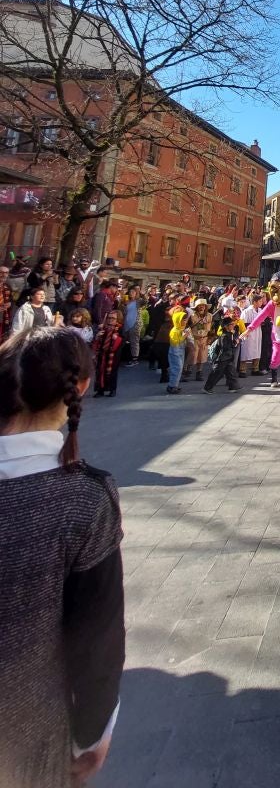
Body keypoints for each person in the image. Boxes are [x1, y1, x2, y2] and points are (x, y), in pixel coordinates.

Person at [0, 327, 125, 787]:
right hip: (29, 736)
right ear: (82, 387)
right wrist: (92, 735)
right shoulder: (85, 498)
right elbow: (98, 631)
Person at [242, 281, 280, 386]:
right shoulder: (271, 304)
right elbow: (261, 316)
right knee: (275, 357)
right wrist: (249, 329)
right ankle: (274, 379)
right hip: (277, 336)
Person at [202, 316, 242, 394]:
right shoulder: (224, 336)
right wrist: (234, 343)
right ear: (226, 326)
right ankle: (207, 388)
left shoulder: (229, 334)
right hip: (222, 358)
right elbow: (224, 347)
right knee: (216, 373)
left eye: (233, 324)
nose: (233, 325)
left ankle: (233, 387)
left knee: (231, 372)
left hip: (228, 357)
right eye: (231, 324)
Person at [92, 310, 124, 397]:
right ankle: (100, 390)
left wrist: (116, 339)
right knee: (100, 371)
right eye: (109, 318)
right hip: (102, 353)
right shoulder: (103, 328)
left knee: (112, 372)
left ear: (118, 319)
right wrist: (97, 336)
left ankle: (112, 390)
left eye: (113, 318)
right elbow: (96, 342)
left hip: (113, 355)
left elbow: (122, 341)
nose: (110, 320)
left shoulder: (120, 329)